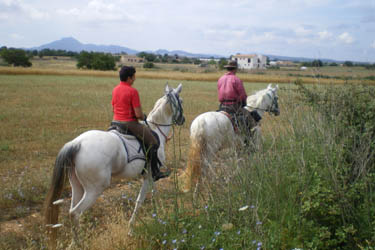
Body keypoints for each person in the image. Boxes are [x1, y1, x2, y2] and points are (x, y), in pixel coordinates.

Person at [111, 65, 169, 181]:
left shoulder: (115, 89)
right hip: (129, 123)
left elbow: (113, 107)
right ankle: (155, 172)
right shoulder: (133, 91)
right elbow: (138, 115)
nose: (135, 79)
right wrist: (144, 117)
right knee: (153, 141)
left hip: (115, 122)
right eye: (134, 77)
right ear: (129, 78)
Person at [217, 60, 257, 137]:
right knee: (250, 118)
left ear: (227, 68)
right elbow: (242, 95)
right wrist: (244, 103)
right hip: (233, 106)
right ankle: (248, 137)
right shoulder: (236, 79)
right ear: (235, 69)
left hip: (222, 106)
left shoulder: (220, 79)